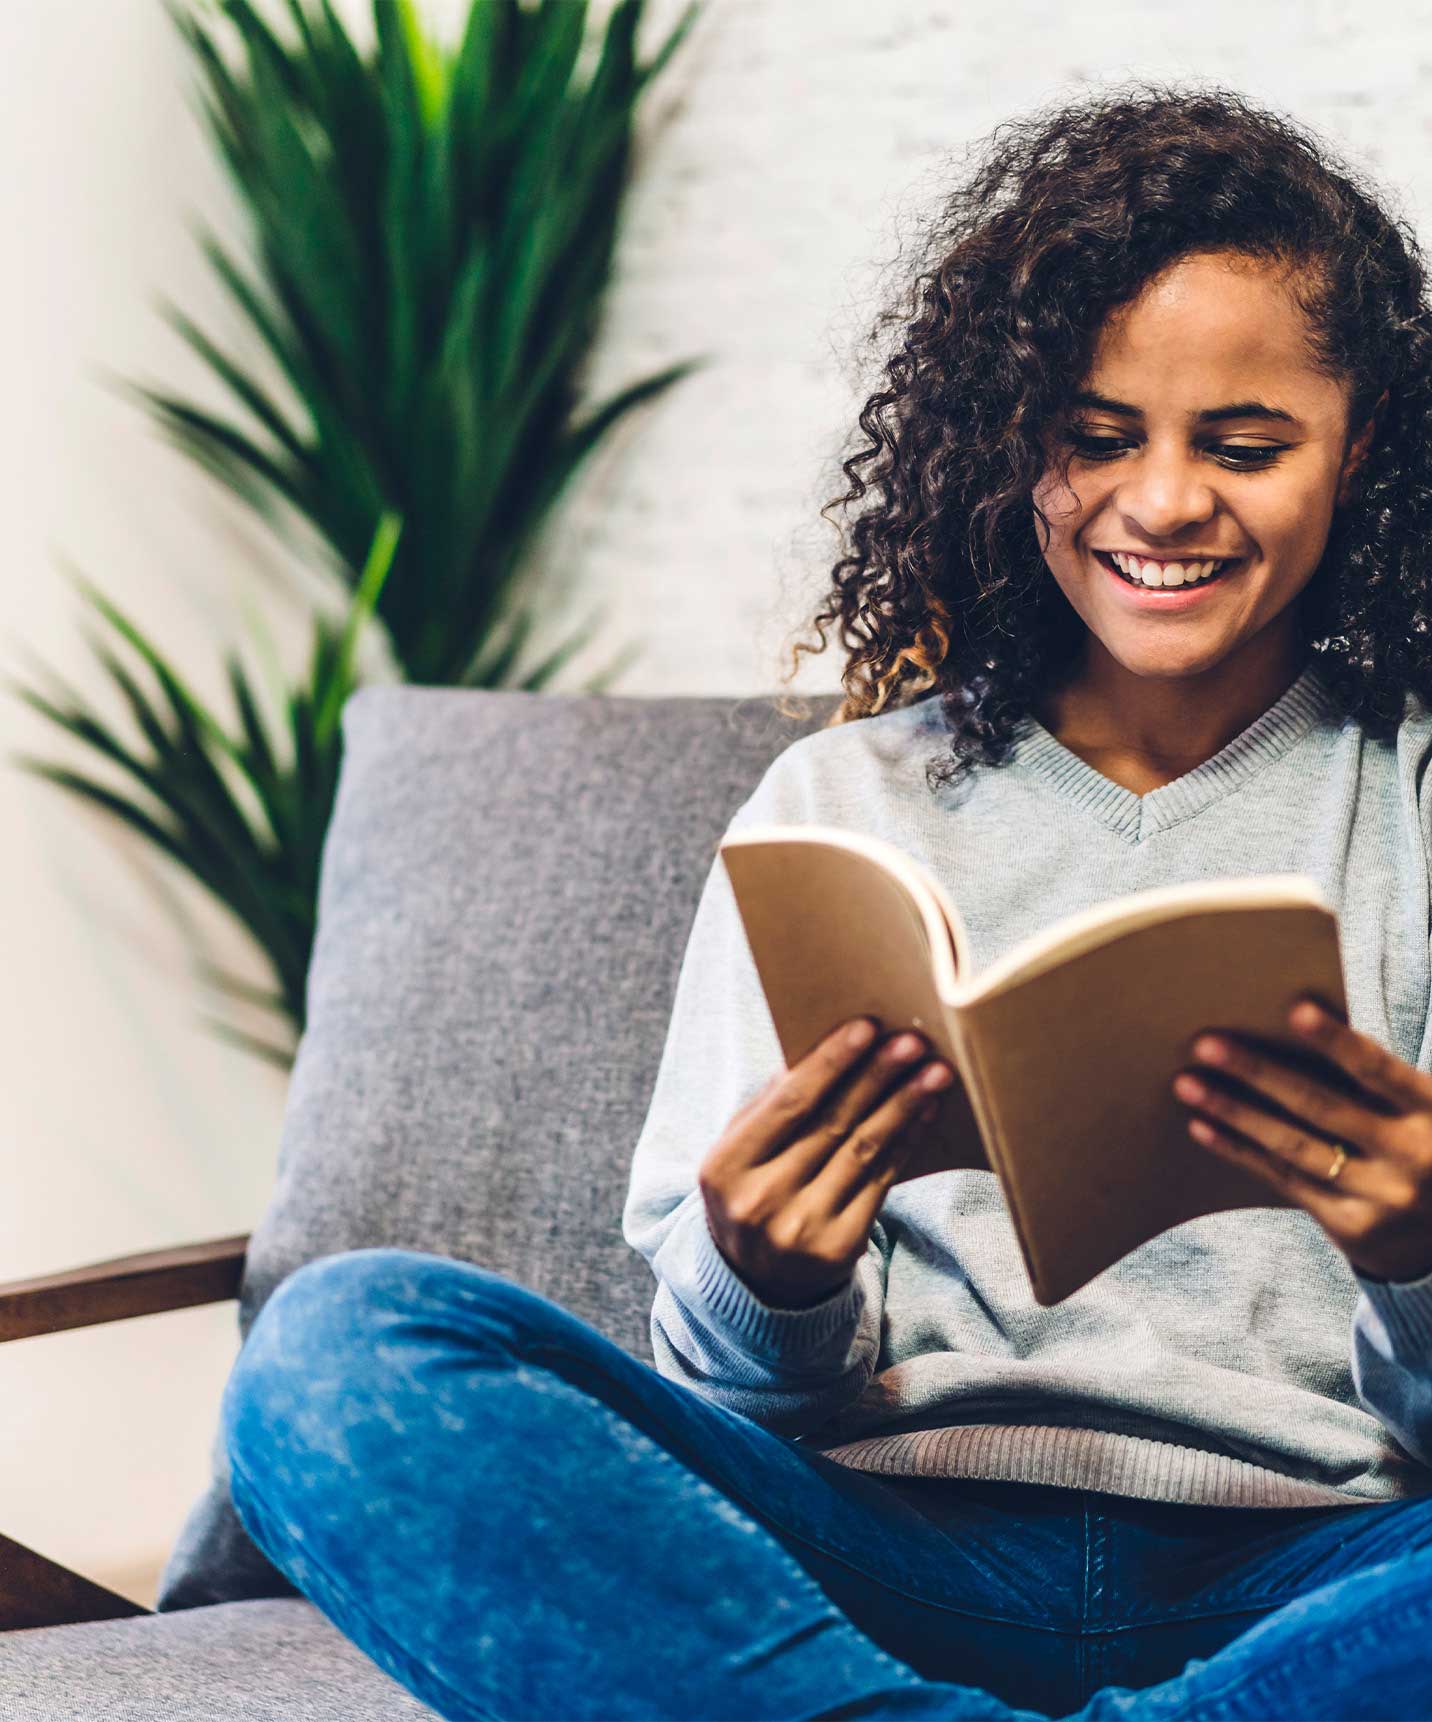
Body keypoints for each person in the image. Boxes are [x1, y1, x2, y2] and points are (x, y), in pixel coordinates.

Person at [220, 81, 1432, 1720]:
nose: (1162, 501)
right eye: (1094, 437)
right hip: (880, 1544)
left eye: (1245, 442)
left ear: (1362, 454)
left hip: (1313, 1570)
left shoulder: (1412, 798)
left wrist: (1419, 1256)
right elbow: (732, 1387)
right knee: (337, 1355)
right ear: (1014, 446)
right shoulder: (842, 804)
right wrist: (766, 1272)